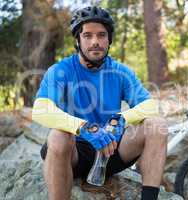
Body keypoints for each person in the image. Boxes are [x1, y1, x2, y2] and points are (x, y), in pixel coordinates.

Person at [32, 6, 168, 200]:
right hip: (74, 155)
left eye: (101, 35)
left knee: (157, 125)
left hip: (110, 151)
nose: (95, 42)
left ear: (109, 39)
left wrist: (121, 119)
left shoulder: (121, 71)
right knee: (58, 137)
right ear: (78, 40)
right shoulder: (60, 70)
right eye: (87, 35)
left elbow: (150, 106)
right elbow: (40, 110)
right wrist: (82, 127)